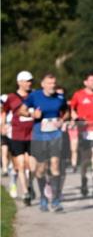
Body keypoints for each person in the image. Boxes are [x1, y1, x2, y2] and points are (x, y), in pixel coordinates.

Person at [23, 73, 68, 212]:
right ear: (43, 84)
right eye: (49, 83)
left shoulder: (60, 97)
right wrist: (31, 114)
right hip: (39, 136)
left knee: (55, 165)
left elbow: (66, 111)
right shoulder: (34, 96)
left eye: (54, 83)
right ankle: (43, 197)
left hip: (55, 135)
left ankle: (55, 200)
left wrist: (62, 120)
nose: (52, 86)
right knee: (41, 169)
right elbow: (21, 110)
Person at [70, 73, 93, 198]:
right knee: (85, 159)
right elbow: (72, 109)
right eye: (91, 80)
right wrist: (75, 117)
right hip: (84, 130)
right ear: (85, 82)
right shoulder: (78, 95)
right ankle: (84, 182)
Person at [2, 72, 35, 205]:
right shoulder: (11, 97)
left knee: (31, 165)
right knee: (20, 165)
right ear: (19, 82)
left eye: (30, 81)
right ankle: (25, 192)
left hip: (33, 134)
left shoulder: (35, 95)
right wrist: (3, 125)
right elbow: (4, 111)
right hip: (17, 134)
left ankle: (30, 185)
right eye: (26, 81)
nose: (29, 83)